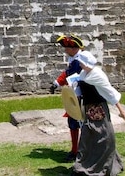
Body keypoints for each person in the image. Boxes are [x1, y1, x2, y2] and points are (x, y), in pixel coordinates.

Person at [70, 50, 125, 176]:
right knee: (88, 137)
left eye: (81, 63)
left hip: (99, 109)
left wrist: (121, 110)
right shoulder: (83, 73)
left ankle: (105, 166)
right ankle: (84, 165)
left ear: (86, 63)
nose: (80, 65)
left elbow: (109, 92)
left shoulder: (97, 75)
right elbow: (80, 88)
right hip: (88, 108)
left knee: (105, 137)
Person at [50, 34, 85, 162]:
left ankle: (80, 151)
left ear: (74, 48)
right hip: (74, 95)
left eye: (67, 48)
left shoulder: (80, 60)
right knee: (73, 123)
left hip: (81, 96)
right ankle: (75, 150)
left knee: (81, 123)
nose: (65, 51)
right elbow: (67, 73)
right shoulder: (74, 60)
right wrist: (57, 82)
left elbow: (75, 76)